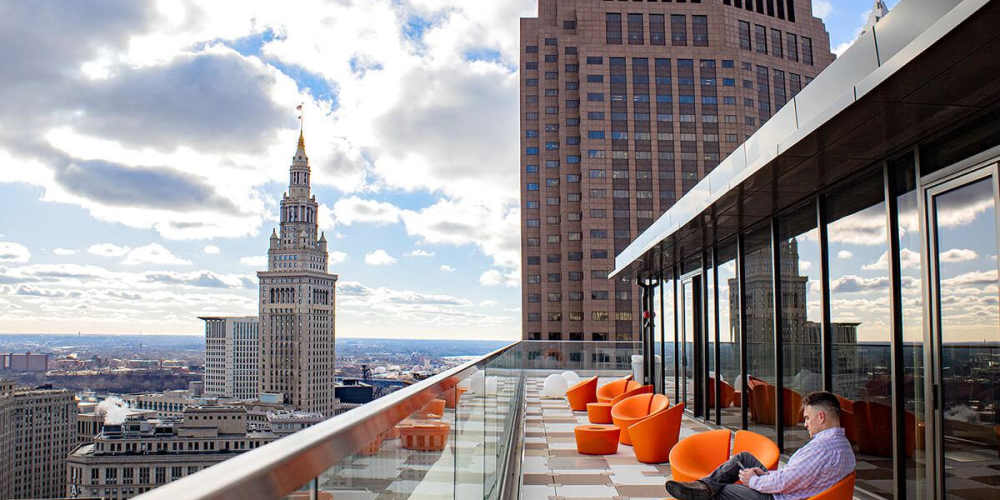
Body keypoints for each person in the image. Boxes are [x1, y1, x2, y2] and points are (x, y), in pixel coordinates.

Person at [665, 391, 855, 500]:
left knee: (721, 491)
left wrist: (753, 481)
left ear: (820, 417)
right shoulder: (842, 446)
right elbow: (796, 477)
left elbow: (785, 483)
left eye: (807, 418)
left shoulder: (822, 450)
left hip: (776, 498)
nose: (805, 424)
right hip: (788, 489)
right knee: (743, 458)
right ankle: (704, 486)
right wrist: (765, 475)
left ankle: (705, 489)